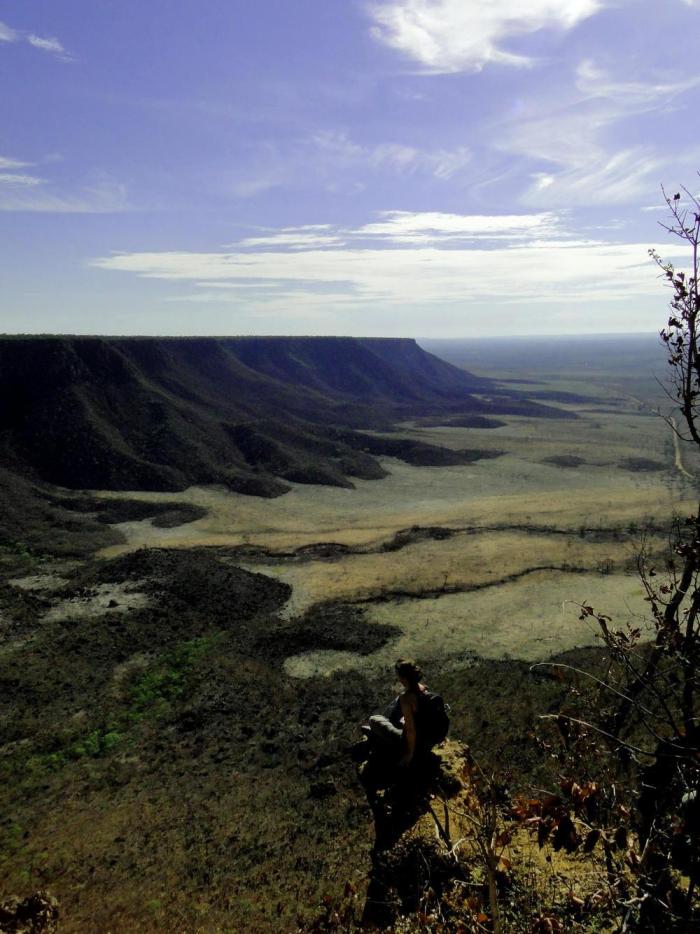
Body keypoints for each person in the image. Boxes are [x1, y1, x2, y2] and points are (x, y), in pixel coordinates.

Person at [358, 658, 433, 769]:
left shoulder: (406, 698)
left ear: (403, 678)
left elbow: (411, 730)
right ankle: (383, 725)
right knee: (396, 702)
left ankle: (375, 732)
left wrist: (409, 754)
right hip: (427, 738)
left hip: (412, 741)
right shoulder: (424, 690)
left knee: (373, 719)